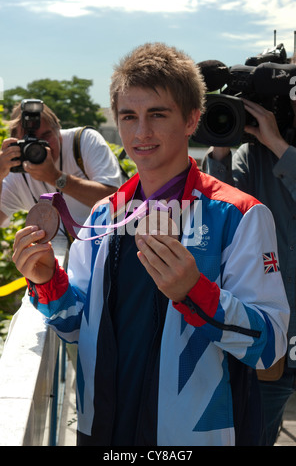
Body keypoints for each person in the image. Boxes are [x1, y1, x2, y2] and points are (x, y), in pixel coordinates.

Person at [12, 43, 289, 446]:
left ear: (193, 118)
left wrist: (195, 293)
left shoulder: (239, 214)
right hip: (101, 432)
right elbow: (76, 329)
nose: (141, 132)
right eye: (129, 116)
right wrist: (47, 282)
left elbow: (271, 349)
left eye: (157, 115)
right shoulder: (105, 216)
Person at [202, 95, 296, 445]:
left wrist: (279, 146)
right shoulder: (252, 157)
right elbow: (220, 207)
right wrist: (222, 146)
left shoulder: (273, 148)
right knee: (253, 436)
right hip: (274, 340)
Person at [0, 102, 122, 238]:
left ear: (58, 132)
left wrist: (56, 178)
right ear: (15, 143)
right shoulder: (16, 171)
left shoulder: (83, 142)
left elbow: (116, 200)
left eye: (46, 136)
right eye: (28, 142)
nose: (38, 147)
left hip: (102, 244)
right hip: (56, 254)